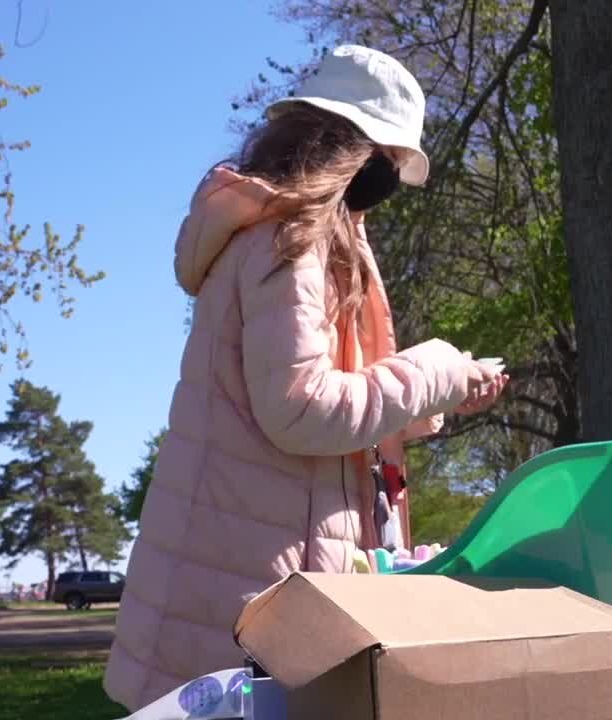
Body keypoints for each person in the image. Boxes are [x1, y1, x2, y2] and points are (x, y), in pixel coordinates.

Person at [104, 45, 508, 711]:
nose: (390, 183)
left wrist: (449, 389)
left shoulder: (293, 234)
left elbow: (316, 404)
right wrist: (432, 368)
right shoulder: (285, 241)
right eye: (392, 161)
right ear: (354, 147)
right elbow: (301, 410)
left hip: (250, 581)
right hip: (234, 603)